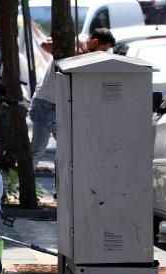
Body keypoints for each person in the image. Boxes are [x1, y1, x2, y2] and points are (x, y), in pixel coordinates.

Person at [29, 28, 116, 172]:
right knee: (38, 150)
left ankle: (63, 189)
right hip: (46, 103)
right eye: (103, 49)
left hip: (64, 106)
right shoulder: (76, 43)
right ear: (95, 42)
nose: (104, 54)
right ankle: (29, 187)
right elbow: (45, 44)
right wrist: (72, 45)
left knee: (69, 152)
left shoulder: (93, 54)